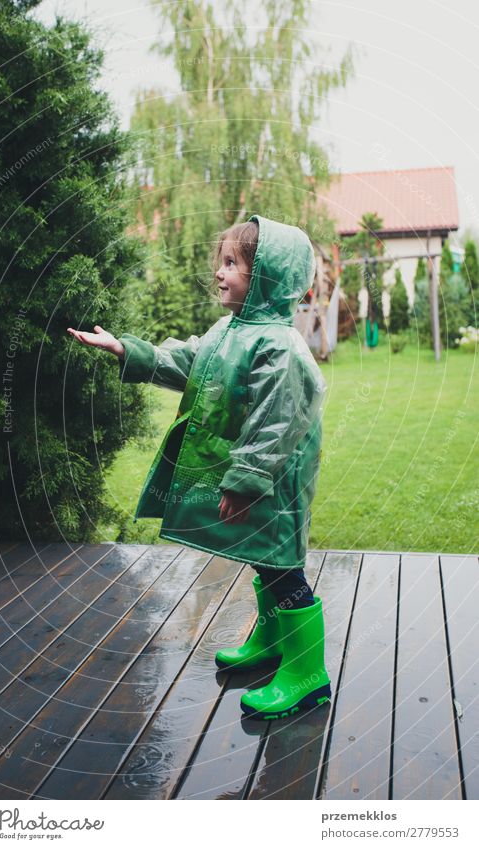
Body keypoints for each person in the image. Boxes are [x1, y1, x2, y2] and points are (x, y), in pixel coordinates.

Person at [67, 214, 331, 720]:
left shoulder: (278, 347)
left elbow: (276, 424)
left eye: (233, 263)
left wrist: (247, 482)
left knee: (281, 566)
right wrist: (127, 349)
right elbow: (190, 363)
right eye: (222, 261)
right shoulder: (229, 330)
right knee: (263, 558)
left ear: (269, 278)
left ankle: (307, 673)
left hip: (273, 481)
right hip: (256, 478)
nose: (220, 272)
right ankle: (274, 641)